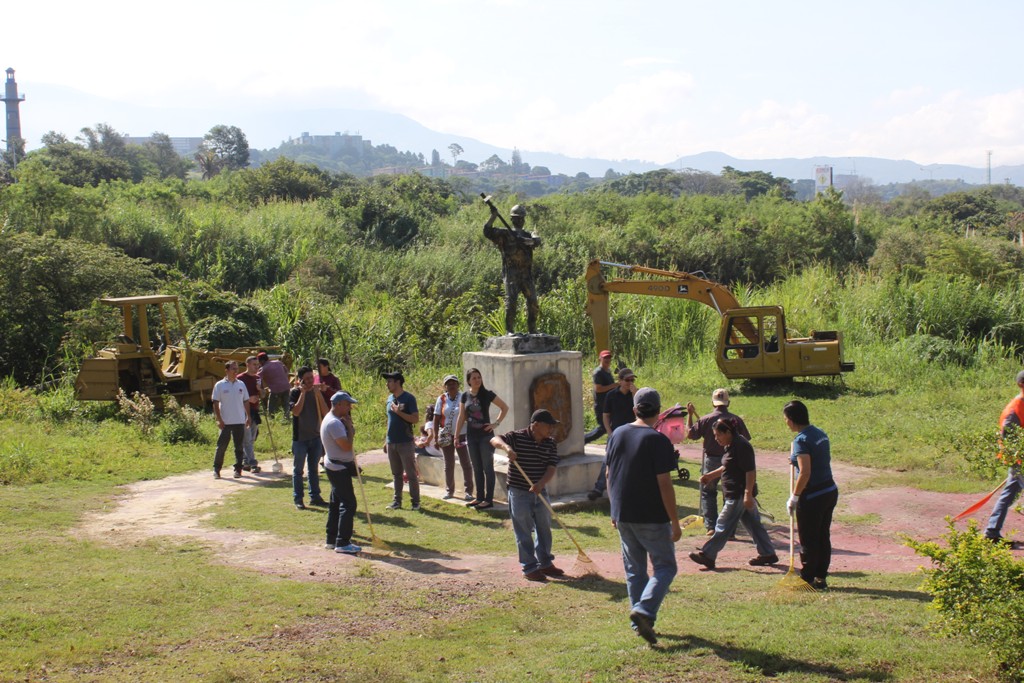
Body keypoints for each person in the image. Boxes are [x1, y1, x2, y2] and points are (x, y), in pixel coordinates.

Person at [605, 387, 681, 645]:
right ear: (659, 412)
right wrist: (675, 520)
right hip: (651, 515)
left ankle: (640, 623)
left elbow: (609, 474)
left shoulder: (617, 434)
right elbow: (664, 484)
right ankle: (645, 611)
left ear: (634, 409)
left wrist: (614, 509)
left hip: (623, 513)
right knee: (665, 566)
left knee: (635, 570)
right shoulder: (658, 440)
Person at [689, 417, 778, 570]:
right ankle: (767, 553)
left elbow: (750, 471)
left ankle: (708, 555)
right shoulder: (731, 445)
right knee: (754, 525)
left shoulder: (741, 445)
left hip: (738, 494)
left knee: (723, 524)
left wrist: (748, 494)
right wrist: (710, 476)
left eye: (718, 435)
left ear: (728, 432)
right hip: (738, 494)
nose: (716, 439)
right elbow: (727, 466)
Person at [490, 409, 564, 582]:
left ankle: (545, 563)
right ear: (536, 425)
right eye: (549, 426)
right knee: (523, 529)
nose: (551, 430)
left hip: (540, 490)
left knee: (544, 527)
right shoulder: (516, 437)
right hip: (519, 491)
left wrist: (541, 484)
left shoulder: (550, 443)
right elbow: (494, 439)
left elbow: (551, 467)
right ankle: (529, 567)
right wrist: (506, 447)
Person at [783, 399, 838, 589]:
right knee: (823, 535)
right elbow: (815, 459)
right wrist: (794, 460)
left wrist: (795, 496)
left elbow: (805, 472)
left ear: (791, 419)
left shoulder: (801, 440)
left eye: (785, 418)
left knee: (808, 538)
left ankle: (807, 578)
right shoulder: (819, 433)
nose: (785, 422)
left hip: (813, 495)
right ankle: (821, 577)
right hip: (829, 490)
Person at [686, 389, 751, 534]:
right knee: (730, 493)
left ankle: (711, 526)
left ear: (712, 402)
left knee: (708, 493)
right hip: (732, 460)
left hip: (712, 460)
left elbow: (690, 434)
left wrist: (689, 415)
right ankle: (729, 528)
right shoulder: (736, 420)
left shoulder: (705, 419)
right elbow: (746, 439)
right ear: (728, 402)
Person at [455, 368, 509, 510]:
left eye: (479, 377)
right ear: (468, 381)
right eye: (474, 378)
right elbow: (461, 416)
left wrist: (495, 424)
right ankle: (479, 498)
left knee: (487, 468)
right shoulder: (464, 396)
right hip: (471, 437)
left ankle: (488, 499)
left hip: (485, 437)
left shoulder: (487, 394)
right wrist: (456, 435)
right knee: (477, 468)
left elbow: (504, 407)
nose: (477, 380)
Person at [484, 202, 540, 335]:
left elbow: (537, 240)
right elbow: (487, 231)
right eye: (516, 218)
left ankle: (532, 329)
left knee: (533, 301)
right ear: (512, 219)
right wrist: (493, 216)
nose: (519, 220)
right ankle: (509, 330)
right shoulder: (504, 234)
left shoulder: (527, 234)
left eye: (521, 218)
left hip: (526, 274)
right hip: (511, 274)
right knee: (512, 302)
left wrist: (527, 241)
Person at [985, 372, 1024, 543]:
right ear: (1022, 384)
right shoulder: (1013, 410)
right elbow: (1009, 440)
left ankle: (992, 532)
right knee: (1009, 494)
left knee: (1008, 494)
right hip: (1019, 459)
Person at [587, 368, 638, 500]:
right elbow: (606, 416)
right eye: (627, 380)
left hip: (632, 434)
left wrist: (635, 395)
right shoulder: (611, 396)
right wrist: (610, 433)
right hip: (616, 433)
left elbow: (640, 414)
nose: (630, 382)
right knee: (608, 460)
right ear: (620, 381)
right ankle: (599, 488)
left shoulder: (636, 395)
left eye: (632, 380)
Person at [321, 390, 361, 554]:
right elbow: (346, 446)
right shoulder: (334, 423)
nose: (349, 407)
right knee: (349, 503)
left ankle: (332, 538)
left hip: (334, 465)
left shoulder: (333, 420)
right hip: (338, 468)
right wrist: (350, 430)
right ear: (338, 405)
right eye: (347, 404)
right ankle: (342, 542)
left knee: (336, 503)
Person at [290, 366, 328, 510]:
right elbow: (296, 412)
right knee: (298, 470)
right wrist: (303, 393)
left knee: (313, 469)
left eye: (311, 378)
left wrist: (318, 395)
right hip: (300, 438)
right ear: (300, 380)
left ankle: (315, 496)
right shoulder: (294, 393)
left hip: (315, 436)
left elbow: (325, 412)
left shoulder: (317, 391)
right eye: (306, 379)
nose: (310, 381)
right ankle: (298, 498)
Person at [383, 371, 420, 511]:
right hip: (392, 442)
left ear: (398, 382)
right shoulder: (389, 399)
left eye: (390, 381)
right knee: (396, 474)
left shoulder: (409, 398)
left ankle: (415, 502)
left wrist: (399, 412)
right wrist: (386, 440)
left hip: (405, 442)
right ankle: (397, 501)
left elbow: (415, 419)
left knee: (411, 474)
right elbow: (389, 421)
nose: (387, 384)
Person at [433, 374, 474, 501]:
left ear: (458, 385)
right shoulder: (441, 399)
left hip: (461, 435)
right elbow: (436, 418)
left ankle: (468, 491)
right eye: (449, 383)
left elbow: (469, 415)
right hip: (446, 436)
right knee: (448, 464)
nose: (451, 385)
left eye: (454, 383)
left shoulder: (464, 397)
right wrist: (435, 437)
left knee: (465, 463)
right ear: (445, 386)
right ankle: (449, 490)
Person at [211, 360, 251, 479]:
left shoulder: (241, 384)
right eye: (233, 369)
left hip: (239, 421)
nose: (236, 371)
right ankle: (216, 469)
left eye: (237, 369)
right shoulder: (220, 385)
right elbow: (215, 402)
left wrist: (248, 416)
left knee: (239, 447)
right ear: (226, 370)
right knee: (221, 447)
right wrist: (219, 419)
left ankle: (238, 469)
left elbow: (246, 401)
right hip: (226, 422)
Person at [584, 350, 617, 444]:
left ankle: (612, 443)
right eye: (605, 358)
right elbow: (598, 389)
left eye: (609, 358)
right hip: (601, 404)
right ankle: (584, 439)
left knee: (610, 426)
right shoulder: (598, 372)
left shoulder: (608, 371)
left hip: (608, 404)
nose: (607, 360)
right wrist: (613, 386)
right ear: (600, 359)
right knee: (603, 427)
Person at [237, 355, 263, 473]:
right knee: (246, 438)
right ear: (247, 365)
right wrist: (248, 400)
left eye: (257, 365)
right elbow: (236, 396)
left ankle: (245, 461)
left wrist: (259, 389)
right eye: (254, 365)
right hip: (243, 411)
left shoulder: (258, 378)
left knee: (252, 438)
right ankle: (252, 463)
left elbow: (263, 395)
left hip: (255, 411)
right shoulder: (240, 378)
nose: (256, 367)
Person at [257, 351, 291, 422]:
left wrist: (260, 388)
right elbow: (287, 371)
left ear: (261, 361)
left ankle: (271, 418)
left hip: (276, 389)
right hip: (286, 386)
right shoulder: (278, 362)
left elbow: (257, 378)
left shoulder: (263, 368)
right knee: (286, 404)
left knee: (271, 405)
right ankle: (287, 418)